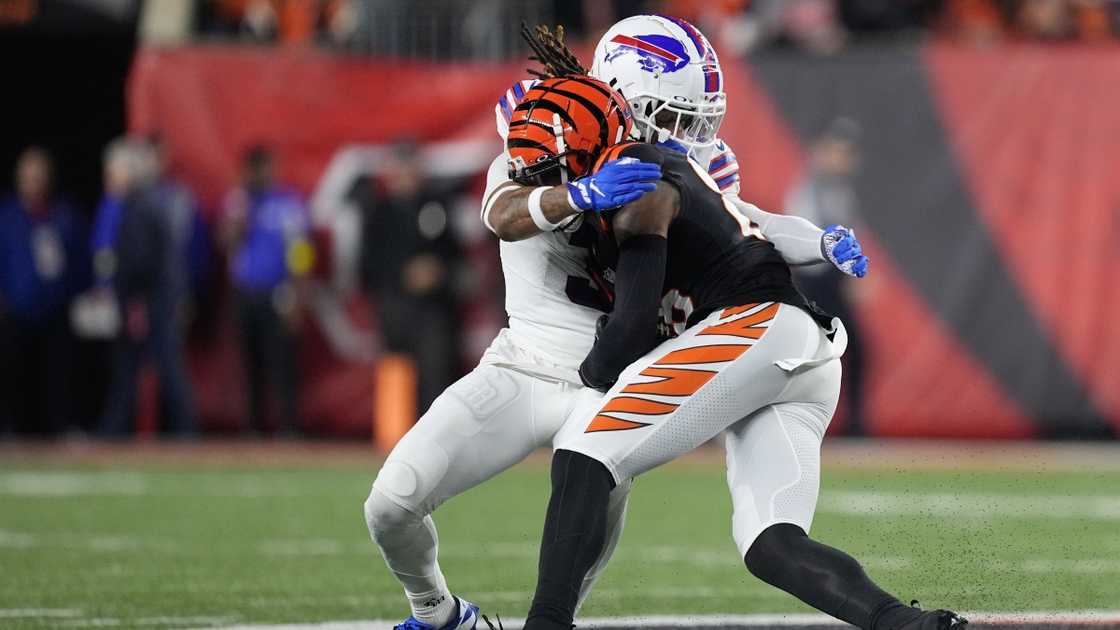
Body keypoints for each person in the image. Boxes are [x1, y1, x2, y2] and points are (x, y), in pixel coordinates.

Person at [363, 17, 866, 630]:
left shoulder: (682, 163)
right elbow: (502, 212)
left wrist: (818, 239)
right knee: (390, 505)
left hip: (620, 377)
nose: (693, 136)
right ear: (621, 95)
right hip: (526, 363)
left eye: (700, 119)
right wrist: (578, 195)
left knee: (579, 517)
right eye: (677, 117)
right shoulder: (547, 127)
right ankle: (439, 615)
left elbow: (744, 219)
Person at [509, 70, 965, 630]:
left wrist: (579, 381)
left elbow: (628, 332)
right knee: (771, 545)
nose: (552, 187)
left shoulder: (640, 180)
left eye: (553, 170)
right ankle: (907, 623)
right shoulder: (669, 171)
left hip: (752, 325)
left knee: (584, 451)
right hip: (804, 349)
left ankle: (545, 624)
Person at [95, 137, 197, 438]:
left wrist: (128, 295)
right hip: (155, 297)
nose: (109, 177)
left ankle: (182, 430)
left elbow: (139, 262)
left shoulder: (139, 205)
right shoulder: (146, 202)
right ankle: (119, 428)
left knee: (154, 365)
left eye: (113, 171)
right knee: (144, 366)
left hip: (150, 299)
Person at [358, 140, 465, 414]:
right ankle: (395, 443)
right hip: (396, 307)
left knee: (437, 374)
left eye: (411, 165)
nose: (407, 173)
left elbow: (455, 253)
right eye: (401, 166)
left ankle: (434, 440)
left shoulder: (437, 205)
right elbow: (366, 267)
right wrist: (403, 275)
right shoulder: (378, 212)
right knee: (397, 377)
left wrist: (438, 270)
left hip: (434, 308)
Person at [220, 145, 311, 437]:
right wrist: (240, 214)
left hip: (278, 292)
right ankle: (253, 427)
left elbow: (300, 250)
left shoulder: (288, 203)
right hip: (245, 292)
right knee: (249, 362)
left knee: (281, 361)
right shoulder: (238, 202)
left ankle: (287, 426)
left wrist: (297, 293)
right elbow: (225, 243)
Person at [787, 118, 869, 435]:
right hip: (813, 282)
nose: (843, 158)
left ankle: (852, 424)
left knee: (852, 351)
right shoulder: (808, 189)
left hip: (830, 280)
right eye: (838, 151)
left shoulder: (839, 190)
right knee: (812, 356)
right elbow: (806, 242)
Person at [0, 147, 89, 437]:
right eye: (27, 177)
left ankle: (62, 428)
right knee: (14, 373)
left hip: (56, 307)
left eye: (38, 176)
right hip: (17, 308)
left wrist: (76, 292)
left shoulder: (64, 215)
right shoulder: (8, 217)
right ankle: (12, 429)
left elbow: (80, 261)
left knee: (60, 374)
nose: (33, 183)